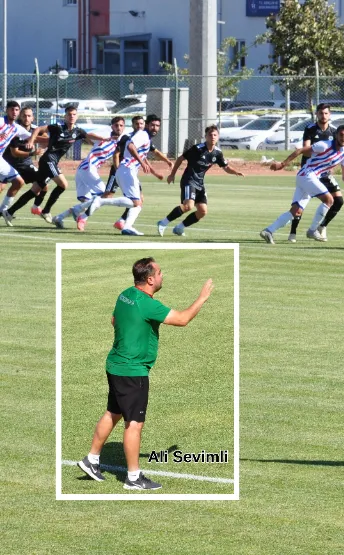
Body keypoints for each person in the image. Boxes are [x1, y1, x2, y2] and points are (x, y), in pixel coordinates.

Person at [76, 257, 214, 490]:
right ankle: (133, 478)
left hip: (115, 365)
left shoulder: (125, 294)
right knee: (134, 423)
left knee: (114, 412)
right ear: (150, 279)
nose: (162, 276)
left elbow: (113, 319)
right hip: (132, 371)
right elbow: (182, 319)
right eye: (160, 272)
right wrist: (202, 298)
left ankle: (91, 460)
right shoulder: (147, 304)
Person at [3, 105, 107, 223]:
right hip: (48, 160)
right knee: (63, 184)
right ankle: (46, 210)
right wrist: (31, 140)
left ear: (77, 116)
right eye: (69, 115)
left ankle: (10, 212)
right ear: (65, 116)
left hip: (51, 161)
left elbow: (89, 136)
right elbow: (38, 129)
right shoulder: (57, 127)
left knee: (36, 189)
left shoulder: (78, 131)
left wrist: (105, 139)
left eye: (73, 114)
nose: (71, 117)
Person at [260, 124, 344, 244]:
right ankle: (312, 230)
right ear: (336, 135)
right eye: (341, 135)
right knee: (329, 200)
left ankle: (268, 231)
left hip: (306, 178)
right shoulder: (324, 145)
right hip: (307, 175)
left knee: (296, 211)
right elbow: (300, 150)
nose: (343, 138)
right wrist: (283, 164)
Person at [156, 125, 244, 237]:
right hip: (189, 180)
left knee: (202, 211)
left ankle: (179, 228)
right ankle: (163, 223)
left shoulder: (217, 153)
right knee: (188, 206)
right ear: (205, 136)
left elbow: (225, 167)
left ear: (218, 137)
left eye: (215, 135)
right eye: (210, 135)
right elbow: (180, 158)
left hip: (200, 183)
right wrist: (172, 174)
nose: (212, 137)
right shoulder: (197, 149)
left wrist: (236, 172)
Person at [88, 114, 166, 235]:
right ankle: (100, 202)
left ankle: (127, 226)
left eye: (157, 126)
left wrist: (154, 172)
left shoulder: (144, 136)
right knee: (135, 202)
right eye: (152, 125)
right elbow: (130, 146)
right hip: (127, 169)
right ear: (146, 125)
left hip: (127, 170)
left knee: (137, 202)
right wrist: (141, 162)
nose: (155, 128)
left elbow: (139, 152)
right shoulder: (143, 135)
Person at [51, 116, 126, 231]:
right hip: (88, 168)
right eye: (116, 125)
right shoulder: (106, 133)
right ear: (112, 126)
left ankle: (60, 217)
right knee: (104, 196)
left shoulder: (122, 141)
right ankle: (81, 218)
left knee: (86, 203)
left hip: (84, 169)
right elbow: (87, 135)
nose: (119, 128)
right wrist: (105, 139)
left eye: (121, 125)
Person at [286, 104, 335, 242]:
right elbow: (306, 149)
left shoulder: (333, 132)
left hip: (324, 172)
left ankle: (321, 228)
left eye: (326, 113)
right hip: (309, 170)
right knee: (301, 203)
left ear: (329, 115)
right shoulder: (310, 129)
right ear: (317, 115)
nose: (323, 116)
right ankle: (293, 232)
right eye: (320, 113)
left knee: (337, 200)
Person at [1, 103, 39, 221]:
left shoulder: (17, 128)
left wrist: (55, 139)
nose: (14, 112)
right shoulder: (1, 121)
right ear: (7, 110)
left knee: (18, 182)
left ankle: (3, 210)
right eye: (12, 109)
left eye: (17, 110)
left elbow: (32, 137)